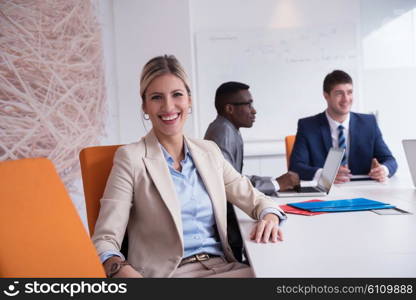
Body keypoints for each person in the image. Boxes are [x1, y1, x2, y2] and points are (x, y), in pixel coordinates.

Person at [92, 55, 287, 278]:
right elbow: (104, 241)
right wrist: (124, 272)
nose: (168, 106)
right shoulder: (130, 158)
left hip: (223, 267)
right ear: (145, 105)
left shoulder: (209, 152)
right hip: (169, 275)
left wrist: (269, 217)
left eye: (177, 95)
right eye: (156, 97)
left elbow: (257, 199)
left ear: (189, 100)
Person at [204, 81, 299, 262]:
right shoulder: (223, 132)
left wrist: (274, 181)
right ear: (229, 108)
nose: (253, 110)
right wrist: (277, 184)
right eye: (248, 104)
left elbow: (235, 177)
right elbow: (227, 184)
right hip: (227, 225)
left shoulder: (229, 128)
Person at [289, 70, 397, 183]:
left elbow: (390, 160)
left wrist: (383, 170)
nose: (346, 99)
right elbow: (296, 167)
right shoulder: (308, 126)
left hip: (362, 190)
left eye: (349, 92)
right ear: (326, 95)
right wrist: (326, 175)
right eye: (339, 93)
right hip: (326, 191)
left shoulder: (368, 123)